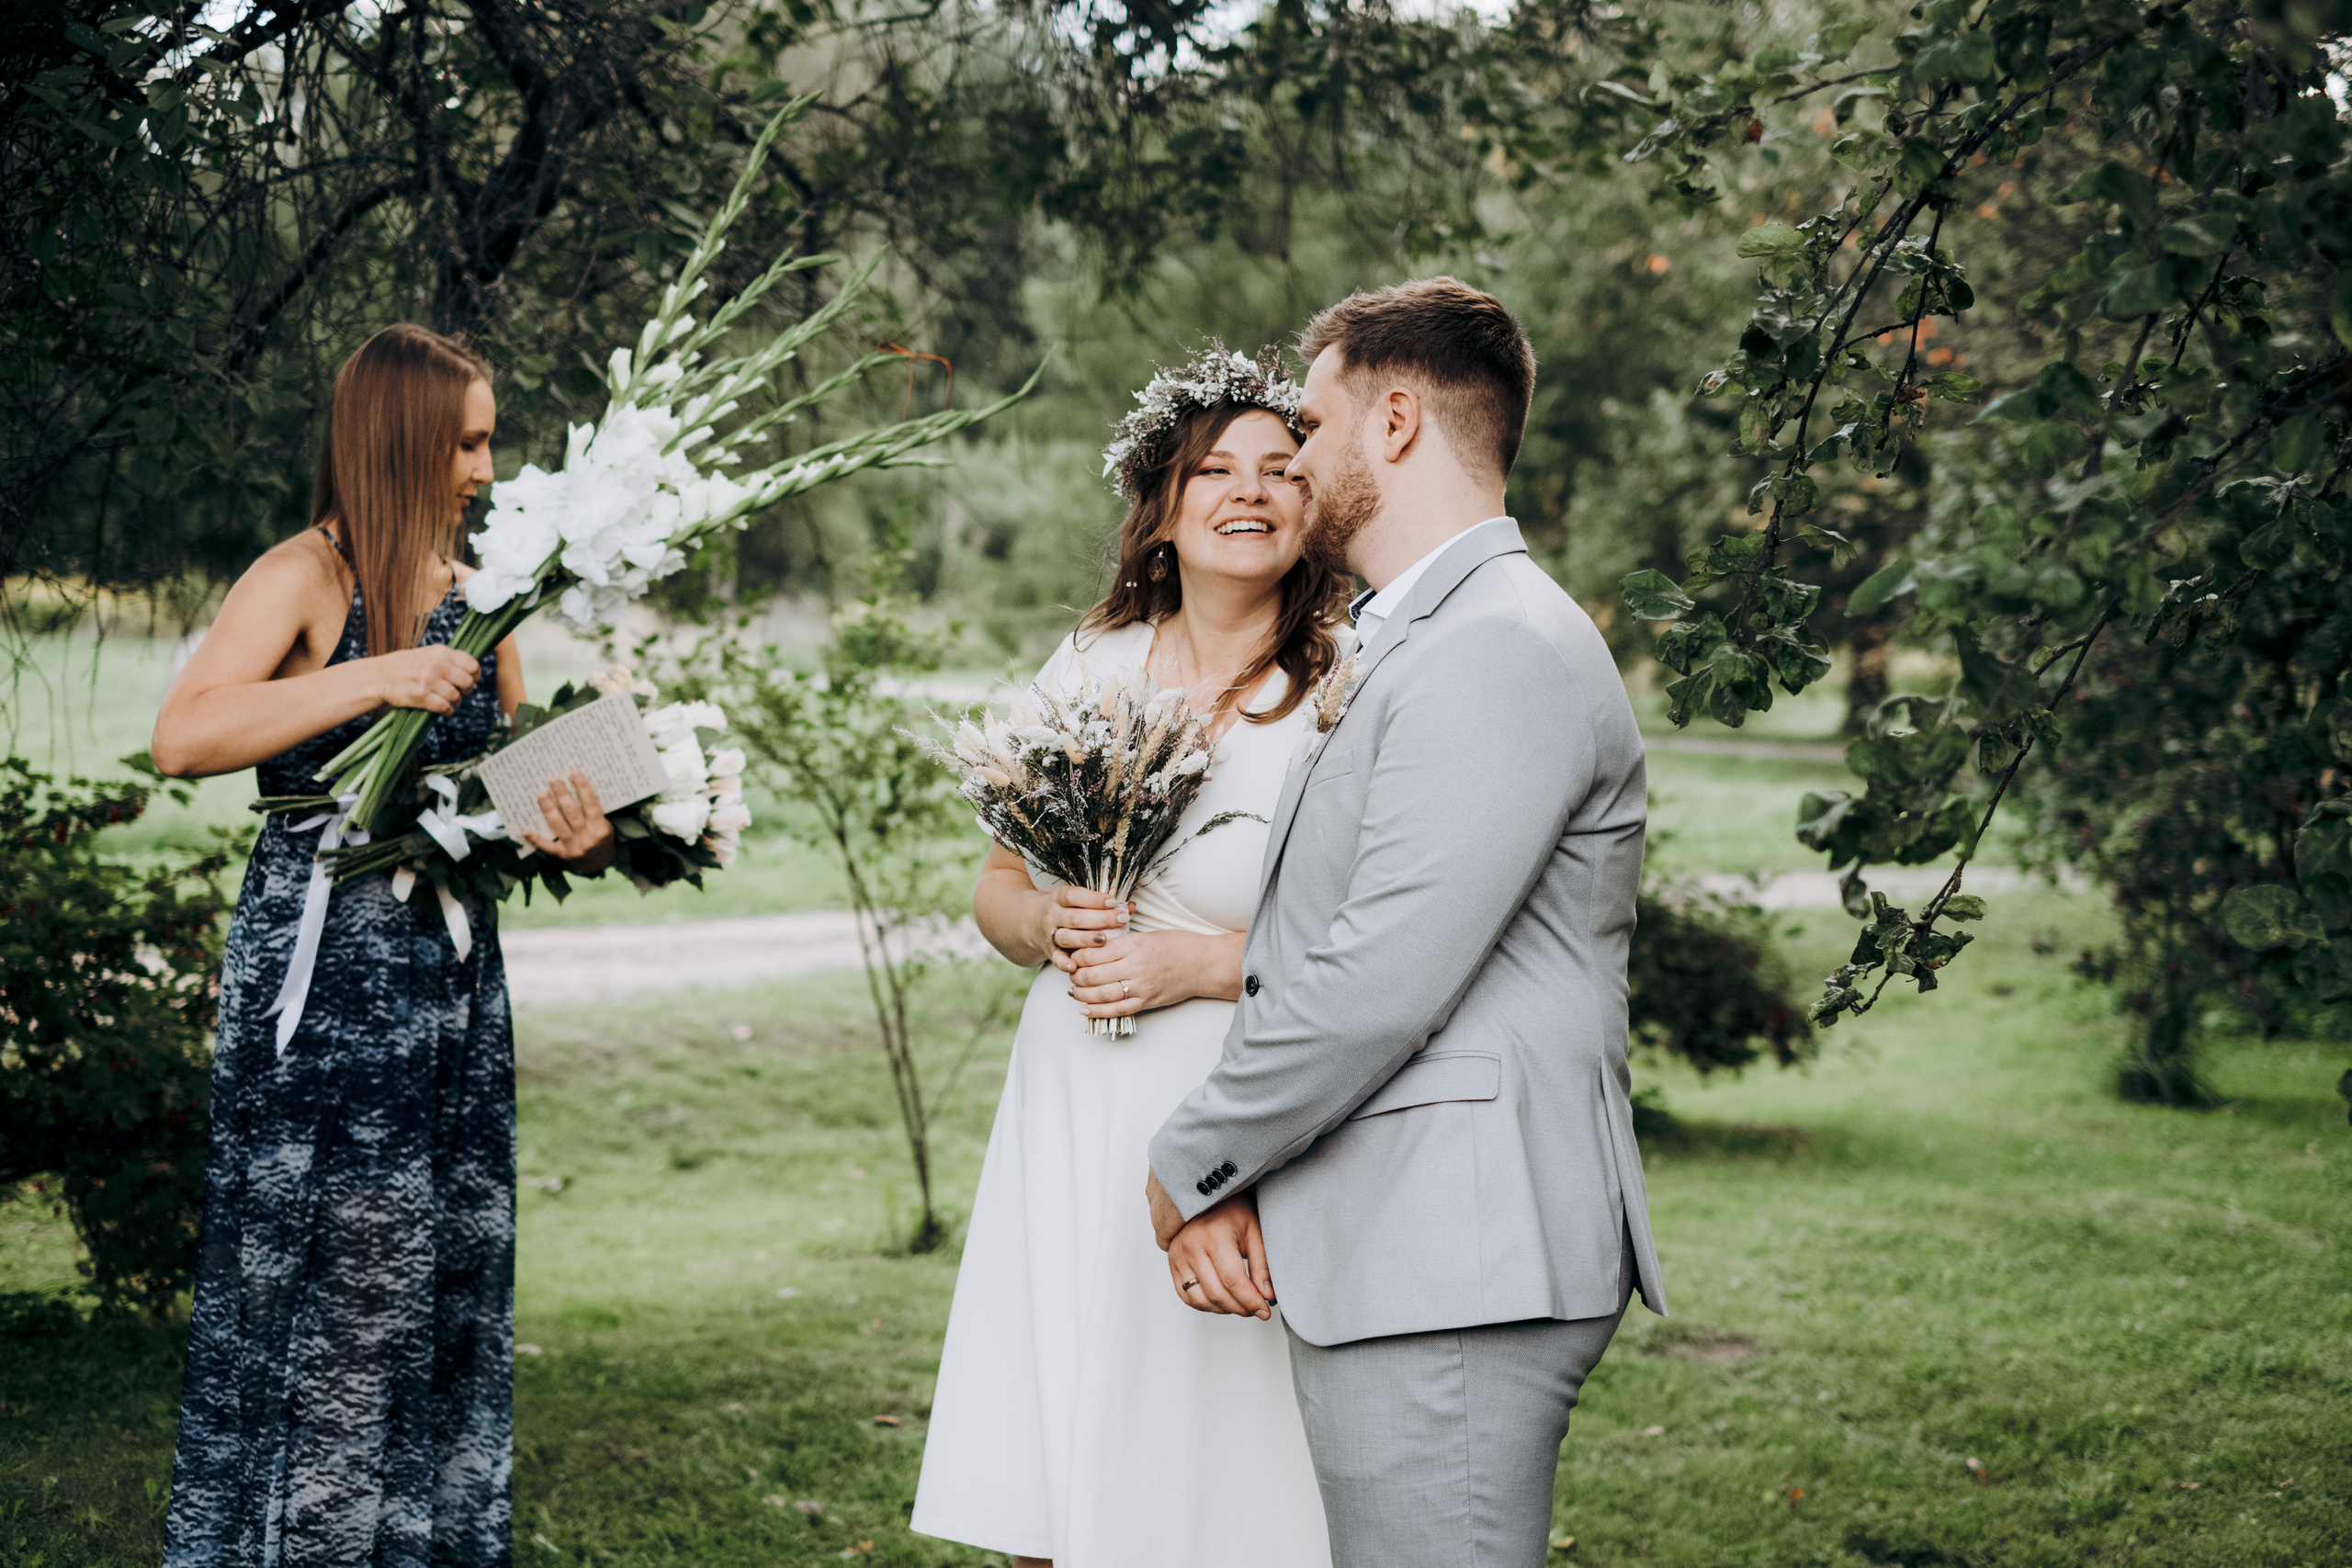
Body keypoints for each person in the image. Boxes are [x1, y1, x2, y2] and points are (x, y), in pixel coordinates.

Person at [1144, 280, 1668, 1567]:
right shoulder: (1428, 634)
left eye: (1310, 429)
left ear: (1391, 423)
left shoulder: (1494, 644)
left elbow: (1377, 977)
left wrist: (1189, 1161)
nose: (1296, 463)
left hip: (1457, 1259)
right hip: (1419, 1242)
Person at [152, 323, 616, 1568]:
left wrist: (584, 829)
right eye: (466, 441)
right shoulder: (307, 575)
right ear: (403, 437)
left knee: (439, 1279)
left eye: (488, 441)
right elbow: (185, 735)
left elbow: (506, 798)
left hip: (448, 982)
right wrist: (376, 678)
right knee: (328, 1279)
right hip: (322, 976)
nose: (483, 465)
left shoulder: (488, 597)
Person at [910, 345, 1346, 1568]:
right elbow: (999, 887)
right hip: (1068, 1098)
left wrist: (1200, 964)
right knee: (1057, 1453)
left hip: (1226, 1106)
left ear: (1318, 508)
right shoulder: (1089, 667)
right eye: (1216, 470)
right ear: (1162, 509)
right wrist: (1049, 927)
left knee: (1207, 1459)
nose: (1249, 492)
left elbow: (1379, 943)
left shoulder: (1342, 689)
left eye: (1281, 469)